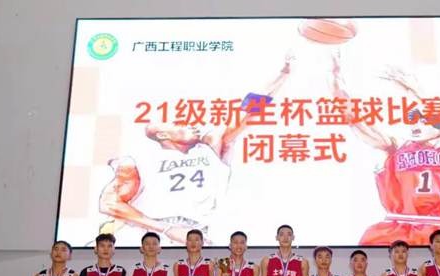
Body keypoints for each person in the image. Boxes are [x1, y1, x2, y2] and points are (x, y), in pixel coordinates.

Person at [98, 54, 294, 245]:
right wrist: (167, 229)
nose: (190, 124)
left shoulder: (210, 148)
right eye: (179, 124)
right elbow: (109, 203)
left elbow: (248, 111)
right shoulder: (140, 161)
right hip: (152, 234)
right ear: (163, 135)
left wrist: (281, 75)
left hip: (197, 235)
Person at [331, 53, 440, 246]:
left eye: (423, 119)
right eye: (413, 118)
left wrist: (415, 89)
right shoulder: (396, 148)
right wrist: (335, 80)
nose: (414, 124)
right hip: (403, 230)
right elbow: (355, 120)